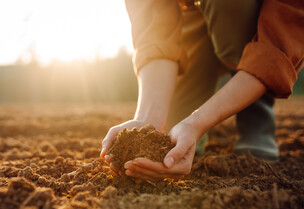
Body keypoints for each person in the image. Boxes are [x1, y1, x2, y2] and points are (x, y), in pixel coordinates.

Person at [100, 0, 304, 182]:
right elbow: (154, 32)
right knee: (173, 136)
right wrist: (148, 119)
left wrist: (197, 122)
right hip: (187, 20)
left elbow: (280, 42)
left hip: (250, 20)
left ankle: (256, 112)